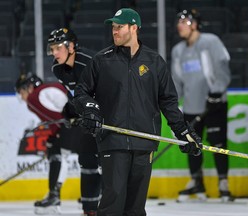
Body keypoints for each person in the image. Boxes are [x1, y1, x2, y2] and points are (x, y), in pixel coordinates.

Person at [72, 8, 203, 216]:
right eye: (113, 27)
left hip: (144, 142)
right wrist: (90, 109)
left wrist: (184, 133)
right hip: (112, 141)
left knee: (135, 208)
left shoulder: (154, 62)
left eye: (119, 27)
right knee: (112, 204)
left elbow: (168, 102)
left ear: (134, 28)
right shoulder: (101, 60)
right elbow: (80, 93)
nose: (114, 31)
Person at [171, 9, 232, 202]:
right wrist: (174, 106)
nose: (179, 25)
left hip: (213, 104)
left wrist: (217, 91)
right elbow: (176, 81)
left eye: (184, 21)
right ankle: (196, 181)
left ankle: (223, 182)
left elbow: (223, 66)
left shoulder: (211, 42)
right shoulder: (178, 51)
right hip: (191, 107)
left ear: (194, 24)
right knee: (191, 144)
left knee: (218, 142)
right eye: (178, 22)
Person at [46, 28, 101, 216]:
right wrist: (71, 109)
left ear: (70, 47)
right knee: (86, 158)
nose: (54, 53)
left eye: (57, 48)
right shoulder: (57, 68)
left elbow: (109, 91)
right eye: (51, 49)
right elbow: (76, 93)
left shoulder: (89, 62)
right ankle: (90, 209)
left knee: (108, 161)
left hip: (108, 114)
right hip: (90, 117)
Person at [15, 73, 71, 214]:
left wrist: (57, 136)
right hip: (80, 118)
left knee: (57, 154)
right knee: (91, 159)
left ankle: (54, 197)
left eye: (21, 92)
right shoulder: (46, 89)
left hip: (75, 123)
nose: (22, 97)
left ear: (29, 87)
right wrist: (53, 136)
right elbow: (55, 118)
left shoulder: (34, 98)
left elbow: (56, 118)